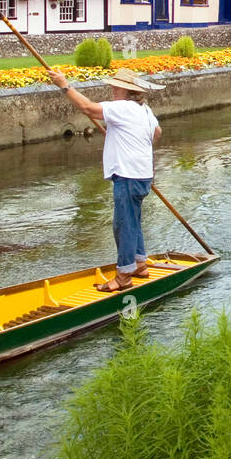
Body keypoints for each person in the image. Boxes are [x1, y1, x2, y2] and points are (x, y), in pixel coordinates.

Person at [48, 67, 164, 292]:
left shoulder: (122, 108)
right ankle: (140, 264)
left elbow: (87, 107)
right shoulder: (144, 110)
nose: (111, 88)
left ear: (126, 90)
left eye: (115, 85)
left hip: (128, 175)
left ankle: (123, 277)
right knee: (133, 219)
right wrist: (124, 135)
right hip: (143, 174)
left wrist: (64, 85)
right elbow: (156, 133)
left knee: (123, 224)